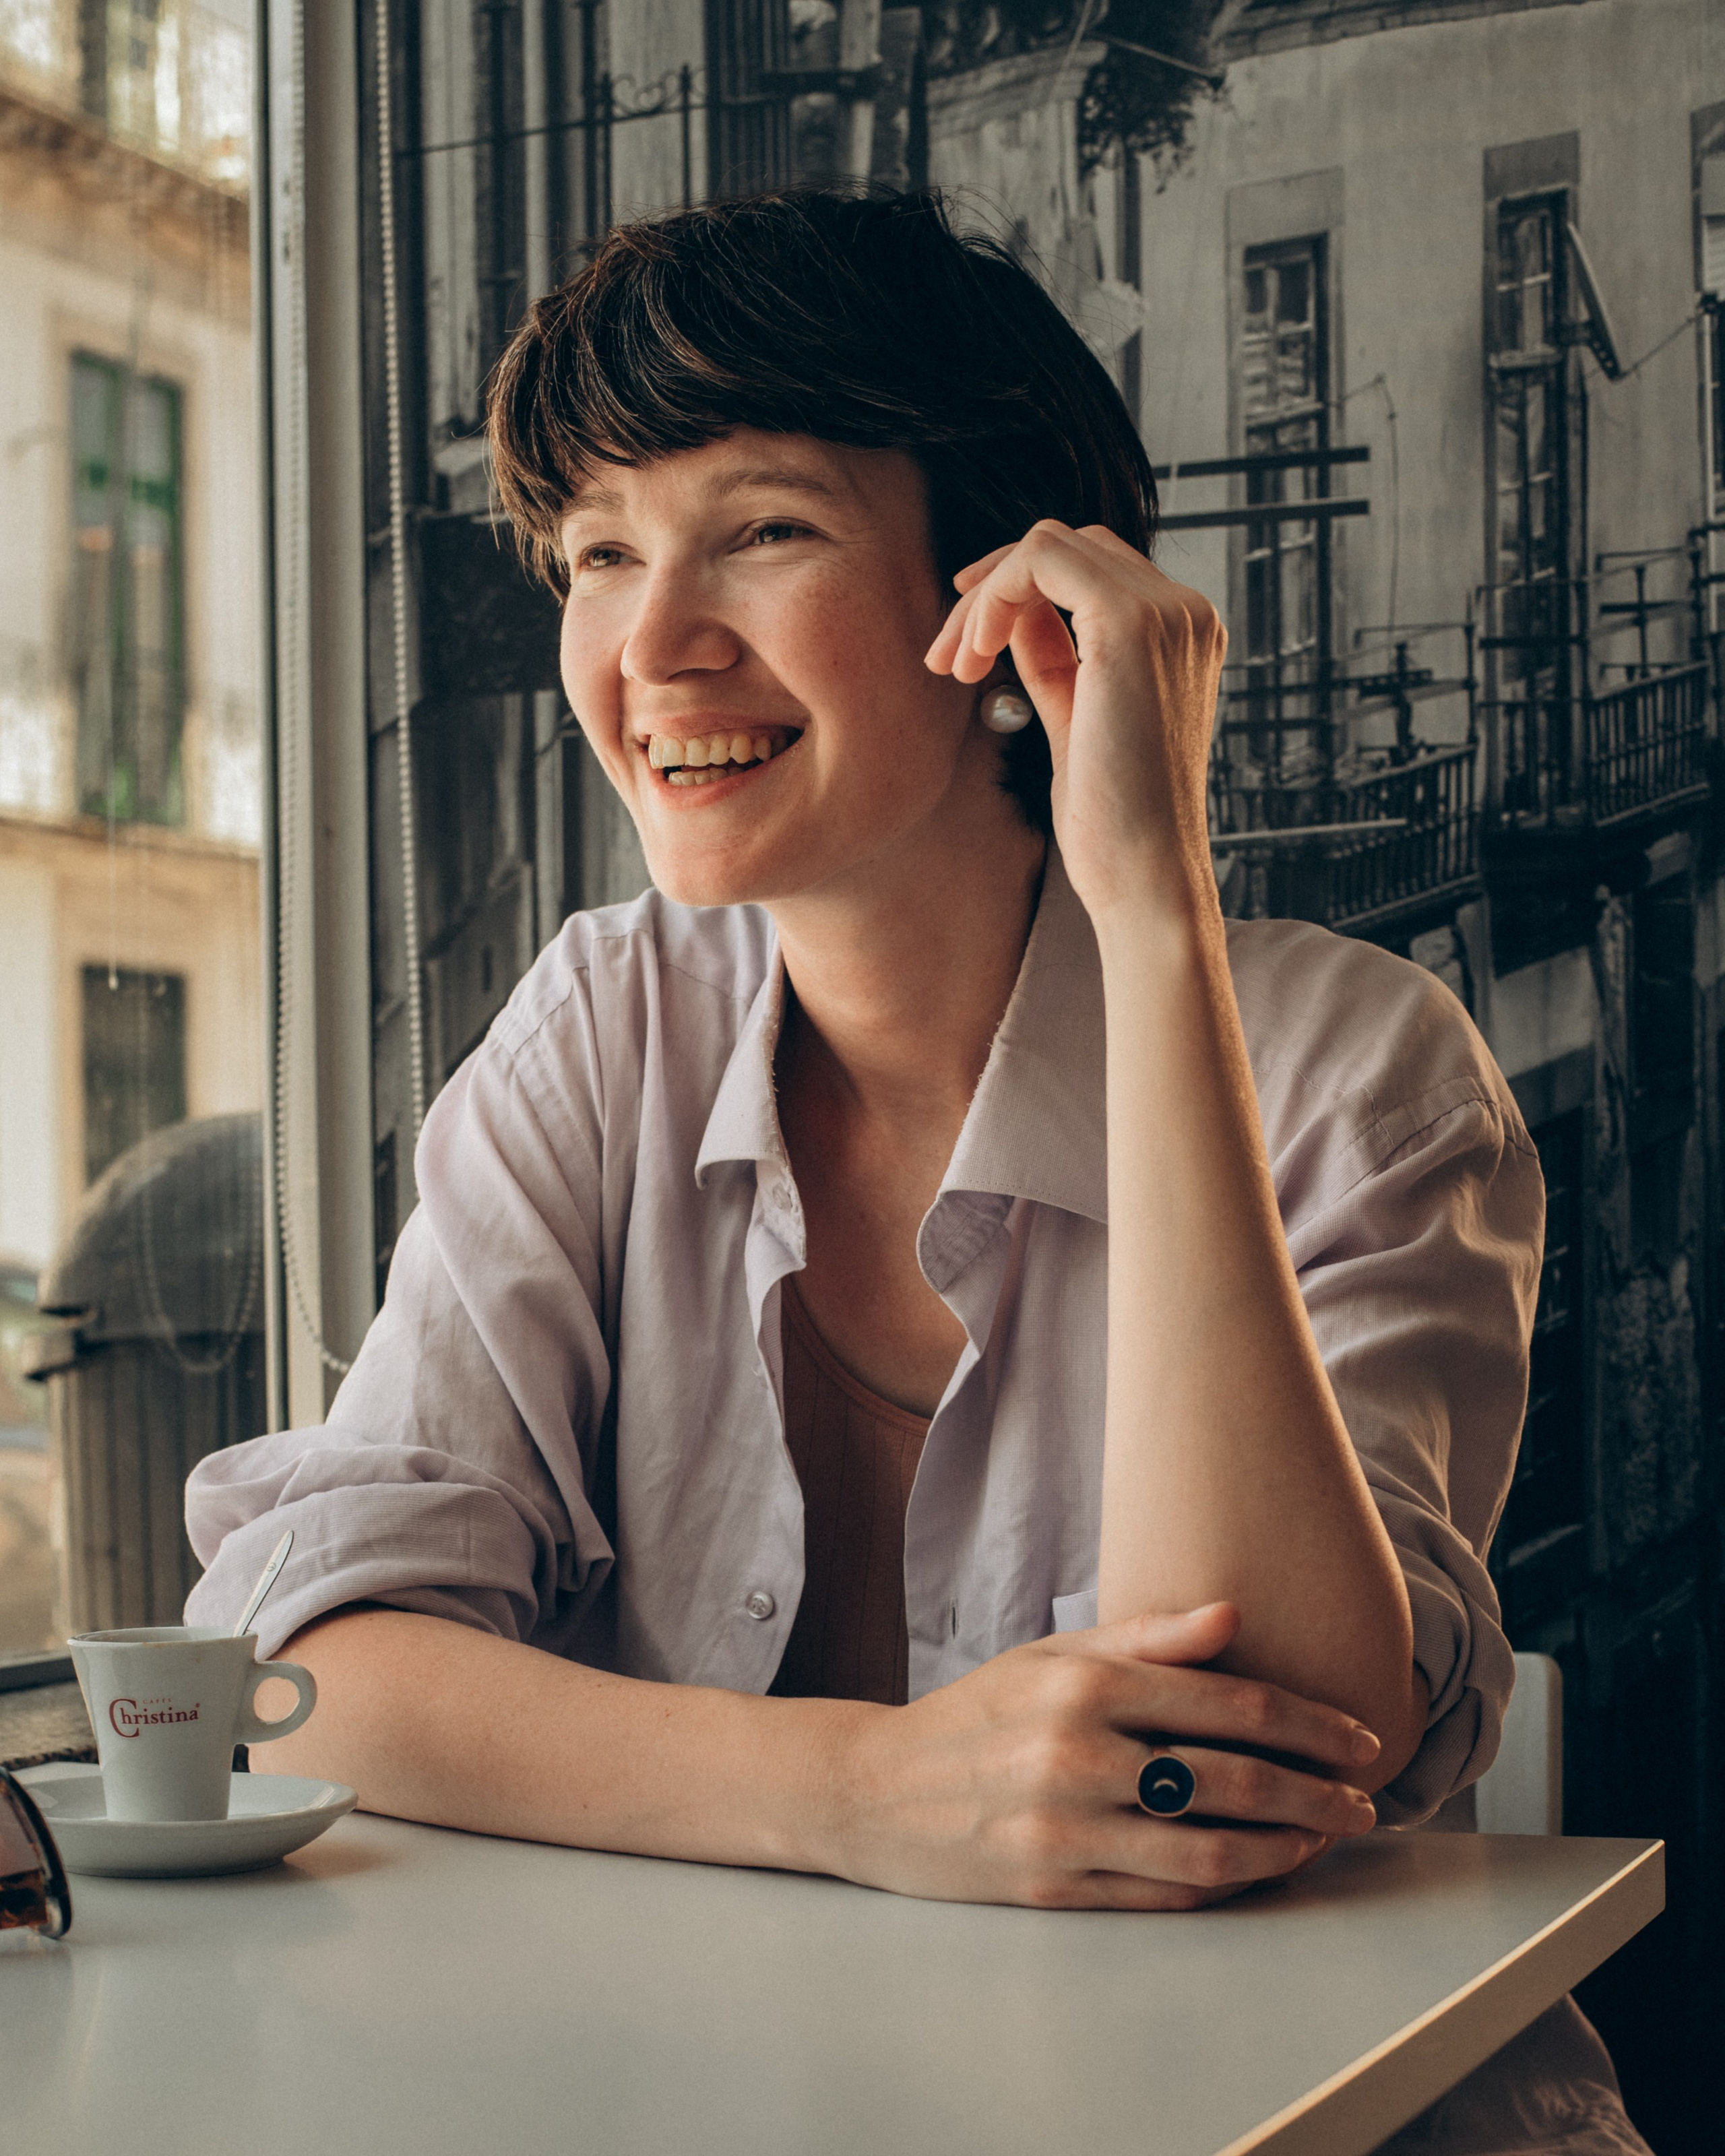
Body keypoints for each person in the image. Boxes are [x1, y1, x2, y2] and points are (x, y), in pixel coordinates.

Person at [184, 187, 1646, 2150]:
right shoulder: (604, 1025)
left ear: (1007, 597)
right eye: (600, 554)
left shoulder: (1354, 1069)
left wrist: (1153, 912)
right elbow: (307, 1678)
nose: (655, 643)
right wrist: (864, 1796)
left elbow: (1280, 1753)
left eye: (763, 530)